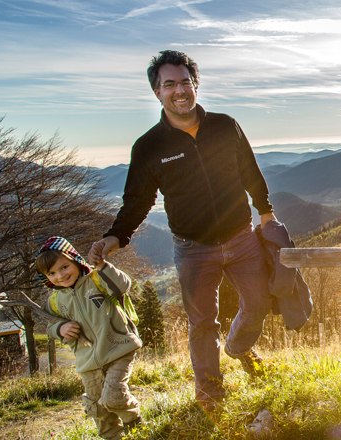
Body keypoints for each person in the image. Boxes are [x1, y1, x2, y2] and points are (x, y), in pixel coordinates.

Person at [87, 50, 277, 412]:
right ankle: (209, 391)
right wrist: (116, 236)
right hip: (193, 249)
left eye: (185, 82)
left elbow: (250, 172)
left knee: (259, 303)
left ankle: (238, 348)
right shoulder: (149, 146)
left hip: (241, 236)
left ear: (196, 85)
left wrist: (266, 212)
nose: (179, 90)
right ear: (156, 92)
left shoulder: (225, 125)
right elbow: (137, 200)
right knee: (203, 323)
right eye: (169, 84)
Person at [37, 236, 142, 439]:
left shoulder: (96, 279)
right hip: (87, 361)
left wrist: (103, 266)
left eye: (64, 267)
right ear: (45, 276)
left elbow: (123, 286)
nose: (60, 275)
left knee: (113, 397)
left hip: (118, 347)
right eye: (52, 273)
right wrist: (60, 328)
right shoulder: (56, 301)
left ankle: (133, 420)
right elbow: (48, 325)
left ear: (75, 260)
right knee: (97, 408)